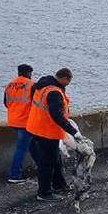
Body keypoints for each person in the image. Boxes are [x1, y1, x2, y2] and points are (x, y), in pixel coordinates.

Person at [26, 68, 82, 202]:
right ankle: (44, 192)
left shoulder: (42, 85)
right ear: (65, 79)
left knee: (55, 158)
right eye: (68, 81)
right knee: (47, 163)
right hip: (46, 131)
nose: (68, 84)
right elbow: (56, 115)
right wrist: (74, 131)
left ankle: (59, 184)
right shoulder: (54, 92)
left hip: (37, 127)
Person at [4, 64, 37, 183]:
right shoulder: (31, 85)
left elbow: (6, 103)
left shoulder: (9, 85)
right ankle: (14, 175)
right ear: (29, 73)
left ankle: (41, 167)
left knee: (33, 145)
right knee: (21, 149)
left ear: (18, 73)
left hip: (13, 121)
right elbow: (36, 104)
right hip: (26, 122)